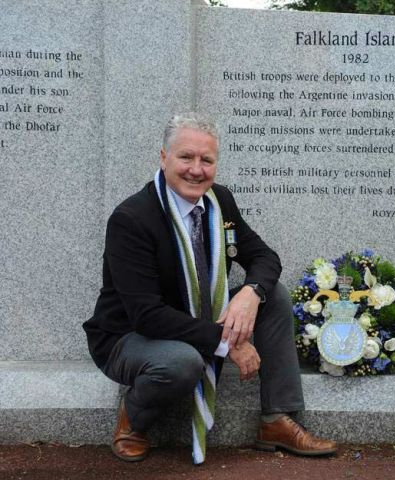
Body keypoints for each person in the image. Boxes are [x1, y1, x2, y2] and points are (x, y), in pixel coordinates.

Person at [83, 112, 336, 464]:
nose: (196, 169)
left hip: (196, 319)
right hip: (130, 337)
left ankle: (277, 418)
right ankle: (133, 418)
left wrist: (250, 293)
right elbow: (147, 315)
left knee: (273, 294)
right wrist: (227, 341)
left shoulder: (219, 201)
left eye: (207, 160)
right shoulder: (132, 219)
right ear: (163, 157)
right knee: (181, 363)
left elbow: (264, 256)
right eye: (186, 157)